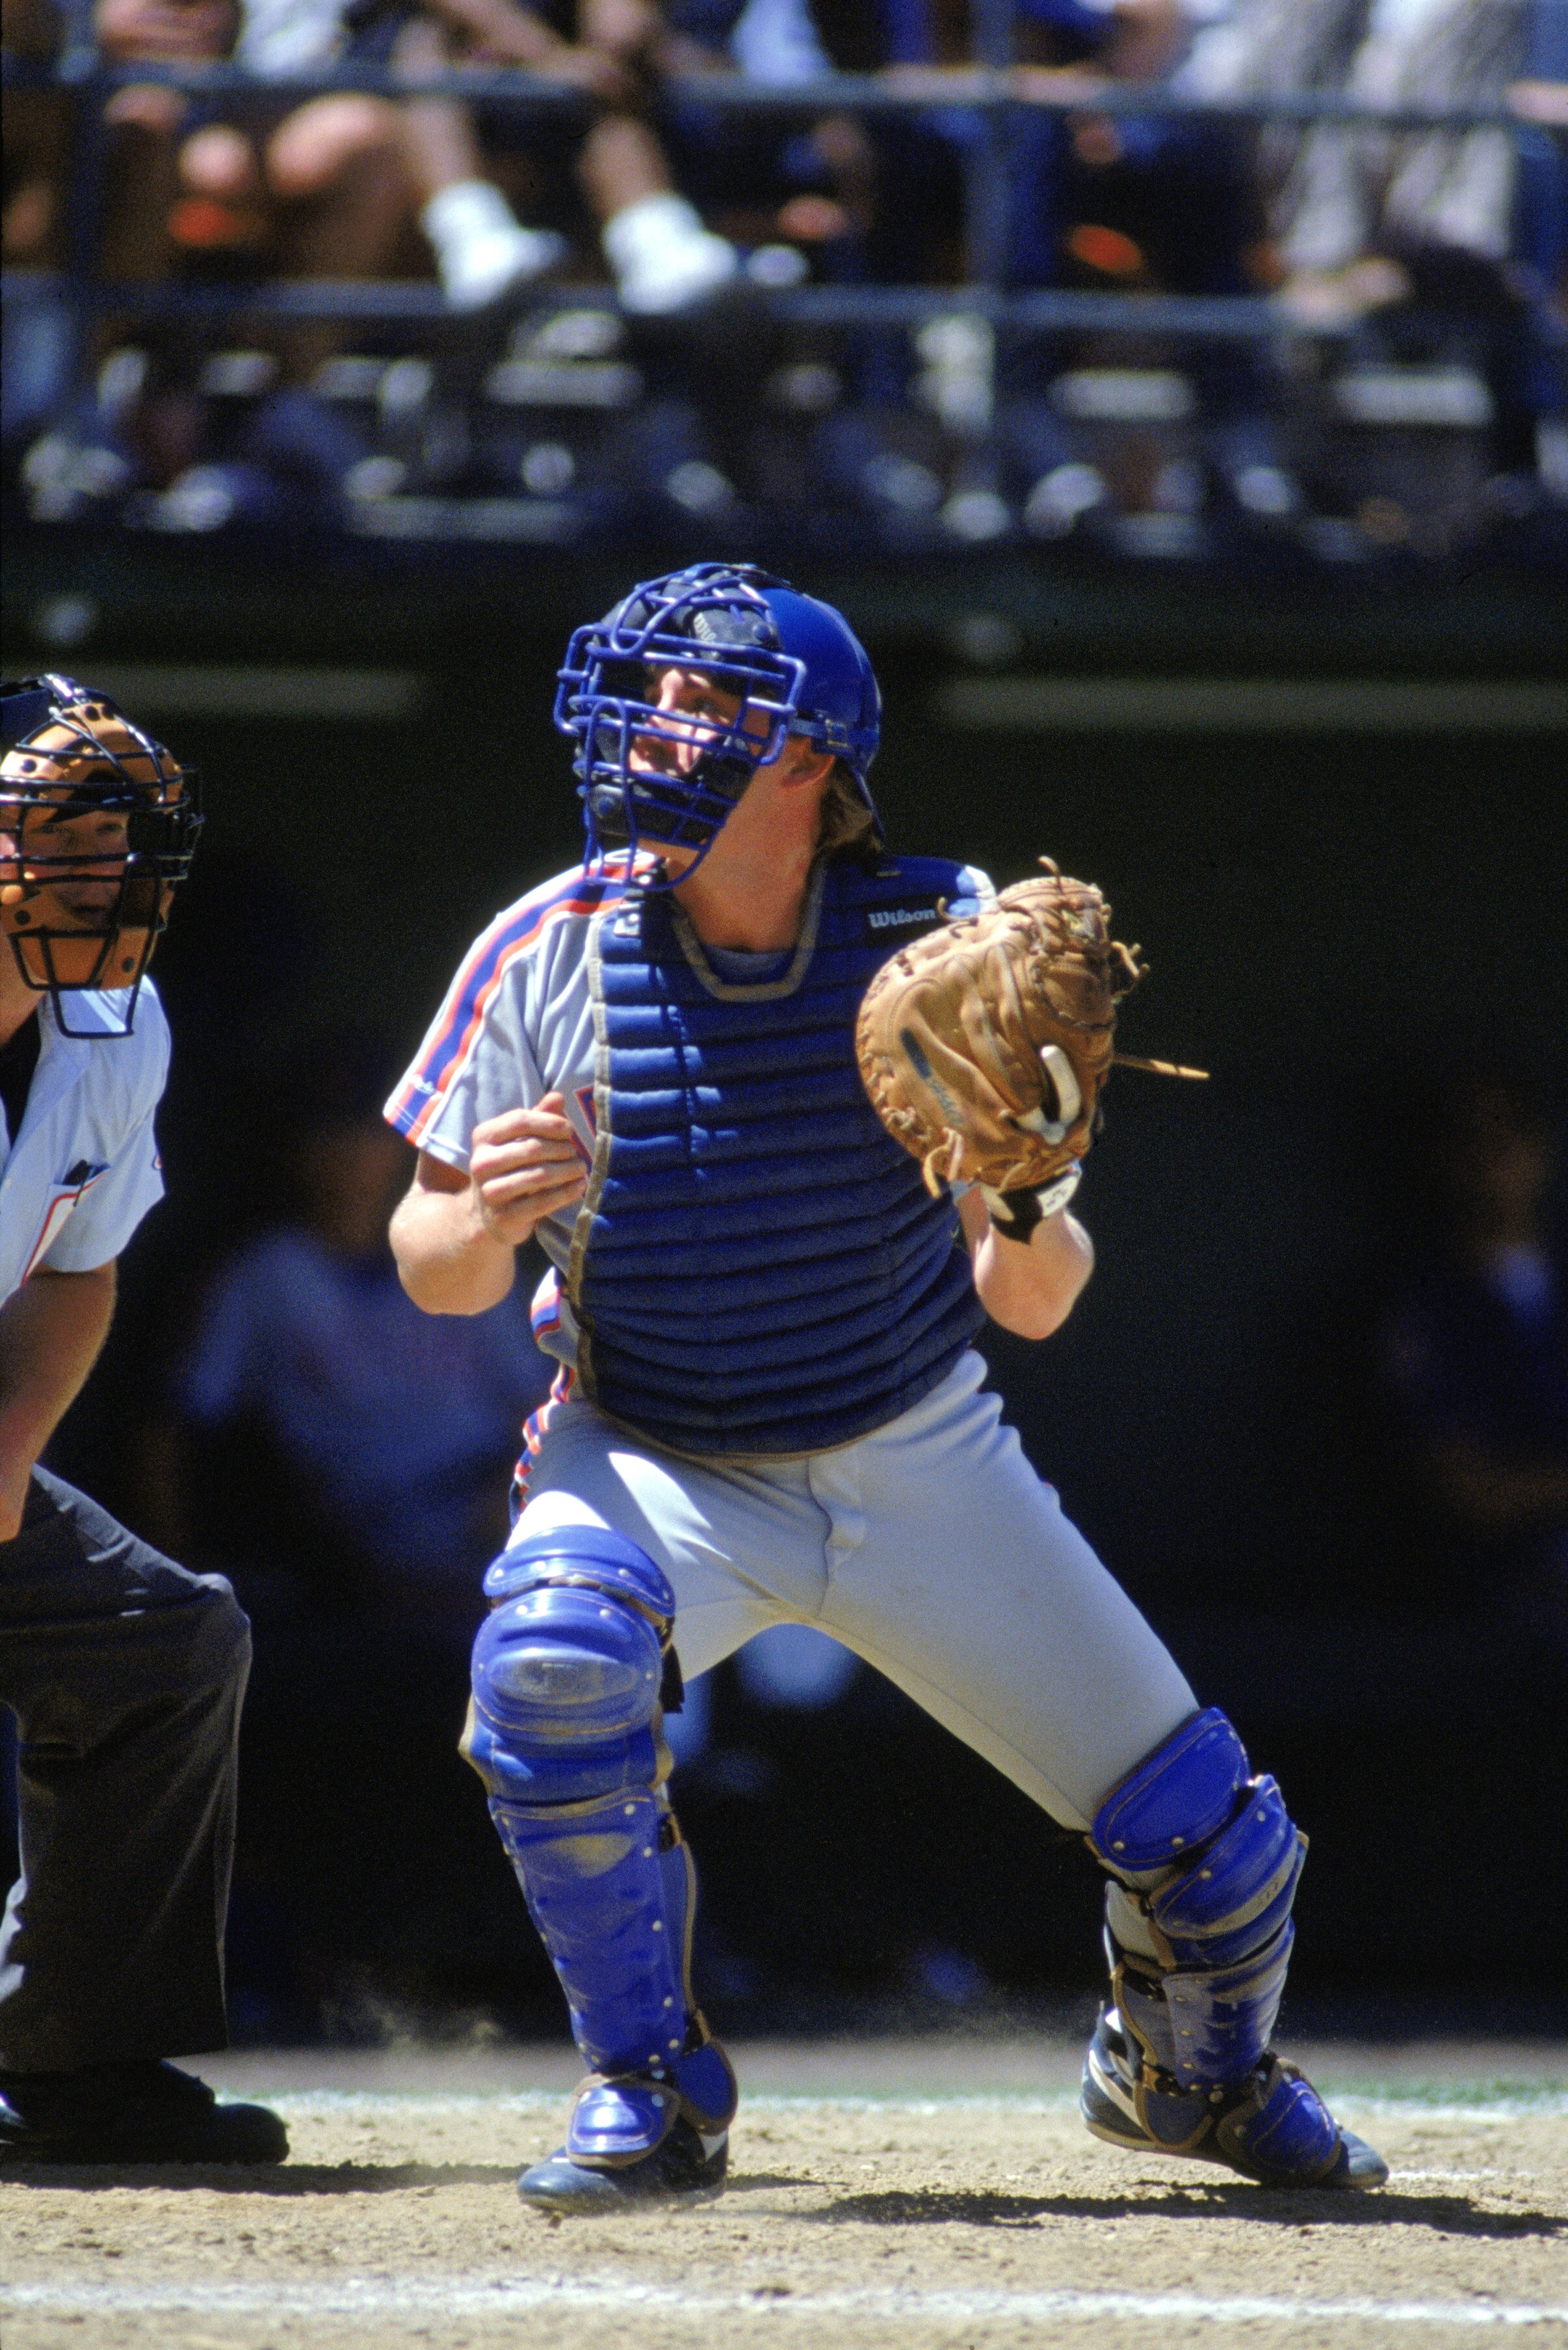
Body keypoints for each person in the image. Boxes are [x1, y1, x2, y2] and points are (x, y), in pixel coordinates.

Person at [387, 562, 1387, 2212]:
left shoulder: (937, 930)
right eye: (652, 694)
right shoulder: (553, 941)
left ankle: (1187, 2080)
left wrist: (1016, 1185)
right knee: (552, 1670)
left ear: (807, 759)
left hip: (913, 1442)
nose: (655, 728)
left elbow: (1038, 1300)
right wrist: (480, 1210)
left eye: (706, 702)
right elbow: (433, 1261)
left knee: (1220, 1848)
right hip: (651, 1445)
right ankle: (649, 2080)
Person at [0, 675, 285, 2167]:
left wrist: (10, 1439)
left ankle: (78, 2061)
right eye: (52, 833)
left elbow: (78, 1261)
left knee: (162, 1642)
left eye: (114, 842)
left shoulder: (116, 1023)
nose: (89, 872)